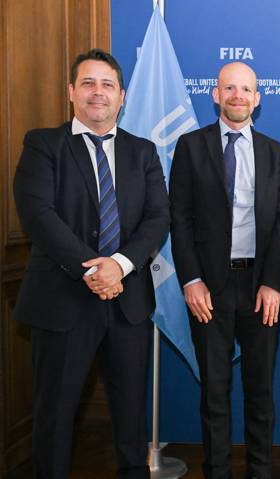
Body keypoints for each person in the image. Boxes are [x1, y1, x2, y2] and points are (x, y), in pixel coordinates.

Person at [12, 49, 170, 479]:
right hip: (62, 303)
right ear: (71, 93)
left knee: (131, 413)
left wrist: (119, 266)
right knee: (55, 413)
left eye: (107, 85)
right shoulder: (43, 144)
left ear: (122, 96)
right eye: (88, 83)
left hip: (128, 304)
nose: (97, 93)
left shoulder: (143, 151)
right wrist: (95, 271)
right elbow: (39, 216)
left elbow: (158, 216)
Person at [169, 62, 280, 479]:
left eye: (246, 89)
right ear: (215, 94)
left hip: (261, 288)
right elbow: (179, 219)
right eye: (229, 88)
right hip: (209, 288)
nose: (238, 95)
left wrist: (275, 283)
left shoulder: (275, 152)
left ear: (257, 99)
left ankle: (260, 472)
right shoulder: (190, 146)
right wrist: (190, 279)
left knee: (261, 393)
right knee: (215, 394)